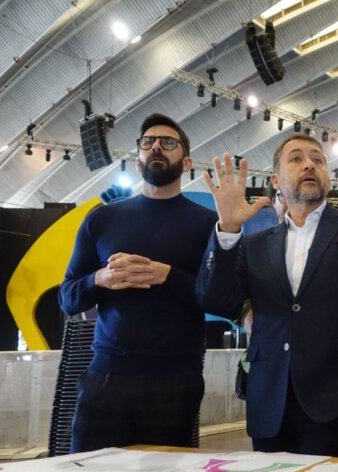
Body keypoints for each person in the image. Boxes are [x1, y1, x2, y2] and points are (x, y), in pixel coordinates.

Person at [196, 134, 338, 458]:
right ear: (276, 180)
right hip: (268, 406)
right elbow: (214, 298)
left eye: (317, 160)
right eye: (296, 159)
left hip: (337, 405)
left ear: (328, 178)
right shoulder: (254, 244)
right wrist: (228, 229)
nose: (309, 164)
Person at [59, 113, 218, 452]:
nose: (157, 146)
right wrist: (100, 279)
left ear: (186, 160)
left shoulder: (207, 224)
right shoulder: (102, 219)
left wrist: (168, 276)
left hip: (176, 380)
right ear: (137, 159)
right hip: (106, 376)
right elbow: (68, 298)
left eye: (168, 142)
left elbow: (219, 299)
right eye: (148, 142)